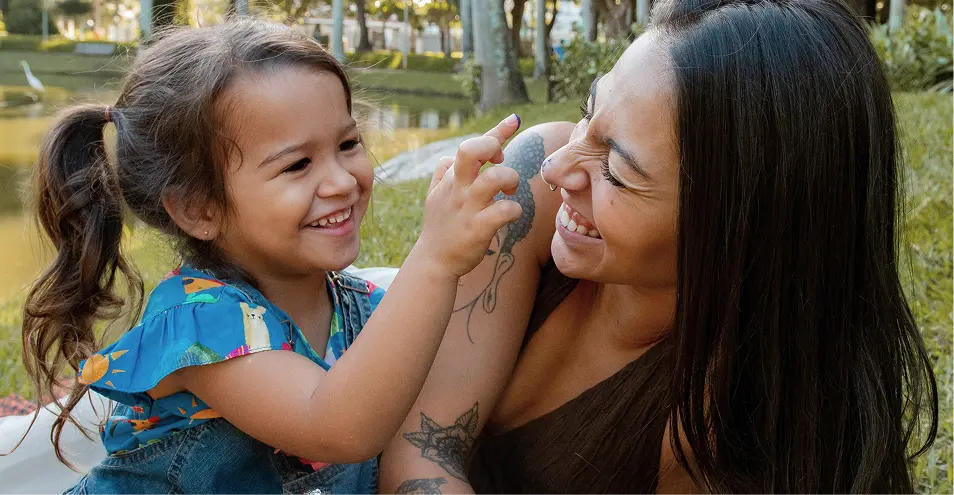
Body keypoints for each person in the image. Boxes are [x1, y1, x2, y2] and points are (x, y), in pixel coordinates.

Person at [380, 0, 939, 492]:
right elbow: (421, 449)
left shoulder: (728, 428)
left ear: (736, 228)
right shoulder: (527, 189)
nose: (557, 167)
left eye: (618, 171)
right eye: (587, 113)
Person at [8, 18, 524, 494]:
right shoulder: (199, 322)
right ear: (199, 208)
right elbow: (335, 428)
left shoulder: (367, 308)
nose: (343, 181)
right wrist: (433, 259)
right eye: (298, 164)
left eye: (348, 143)